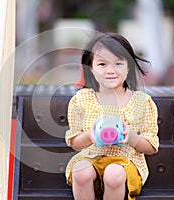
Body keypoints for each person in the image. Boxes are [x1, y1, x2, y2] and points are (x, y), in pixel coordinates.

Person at [65, 32, 159, 200]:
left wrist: (130, 137)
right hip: (92, 157)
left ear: (128, 66)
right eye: (102, 64)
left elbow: (151, 146)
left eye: (118, 63)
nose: (110, 70)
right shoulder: (81, 99)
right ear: (91, 68)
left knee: (113, 173)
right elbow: (74, 142)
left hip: (126, 163)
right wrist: (89, 136)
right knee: (80, 171)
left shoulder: (142, 102)